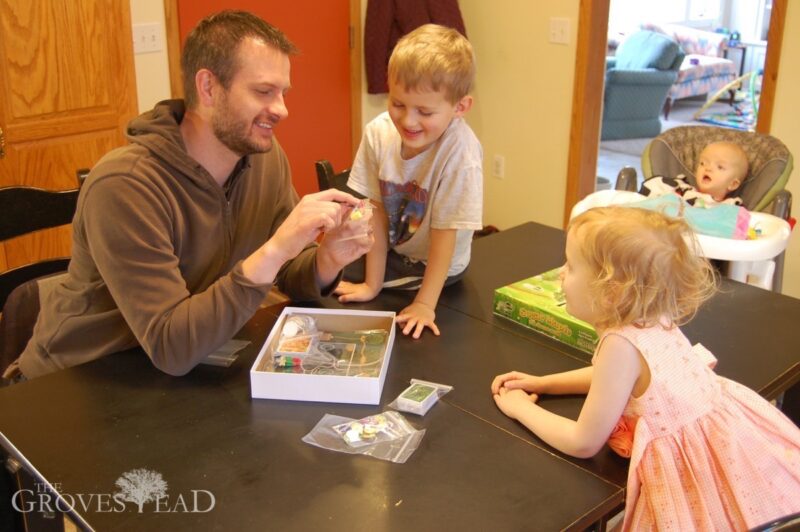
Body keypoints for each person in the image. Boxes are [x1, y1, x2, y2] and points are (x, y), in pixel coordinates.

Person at [3, 10, 371, 382]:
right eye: (263, 91)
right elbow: (171, 345)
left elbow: (289, 274)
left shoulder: (264, 158)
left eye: (283, 93)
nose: (281, 109)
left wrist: (327, 258)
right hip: (75, 382)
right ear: (208, 87)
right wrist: (274, 250)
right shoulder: (124, 186)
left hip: (176, 370)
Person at [491, 206, 800, 530]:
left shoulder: (620, 345)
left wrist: (519, 409)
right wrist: (544, 384)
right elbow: (618, 382)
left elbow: (583, 441)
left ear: (611, 291)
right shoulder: (651, 313)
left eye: (570, 265)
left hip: (689, 465)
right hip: (724, 437)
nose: (561, 273)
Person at [335, 24, 483, 339]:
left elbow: (445, 237)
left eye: (425, 112)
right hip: (392, 252)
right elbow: (373, 211)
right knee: (331, 274)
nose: (408, 120)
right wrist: (371, 284)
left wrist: (425, 305)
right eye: (398, 104)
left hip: (437, 266)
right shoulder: (379, 132)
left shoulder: (461, 155)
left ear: (460, 107)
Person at [639, 140, 749, 207]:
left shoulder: (731, 207)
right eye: (702, 163)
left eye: (720, 167)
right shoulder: (682, 191)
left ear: (733, 184)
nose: (708, 169)